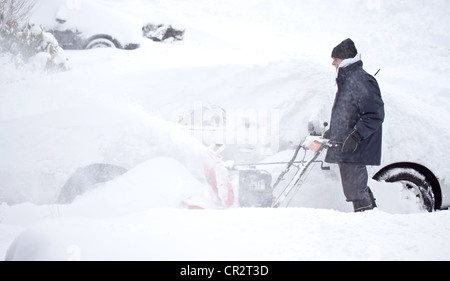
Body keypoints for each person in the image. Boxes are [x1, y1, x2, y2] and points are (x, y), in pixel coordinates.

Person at [324, 38, 385, 212]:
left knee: (355, 188)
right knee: (355, 186)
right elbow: (349, 112)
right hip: (348, 145)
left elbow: (374, 114)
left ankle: (365, 221)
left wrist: (356, 135)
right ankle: (371, 217)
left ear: (345, 59)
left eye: (335, 58)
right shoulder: (349, 79)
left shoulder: (361, 80)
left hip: (356, 146)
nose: (332, 62)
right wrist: (334, 132)